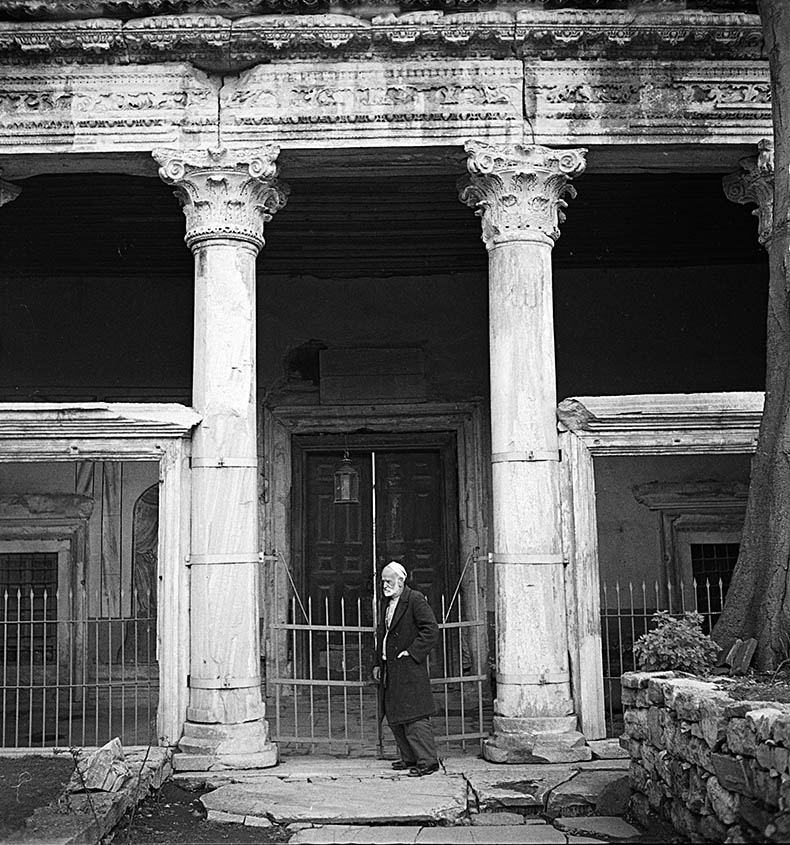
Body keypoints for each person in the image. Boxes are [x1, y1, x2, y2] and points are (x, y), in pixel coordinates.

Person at [373, 561, 440, 777]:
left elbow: (430, 629)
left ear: (401, 581)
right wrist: (377, 662)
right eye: (383, 581)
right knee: (395, 714)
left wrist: (412, 652)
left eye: (388, 581)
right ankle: (409, 757)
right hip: (390, 666)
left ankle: (427, 762)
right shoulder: (388, 603)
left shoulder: (415, 599)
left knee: (415, 716)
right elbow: (383, 635)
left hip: (409, 666)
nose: (384, 585)